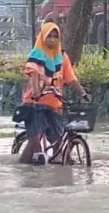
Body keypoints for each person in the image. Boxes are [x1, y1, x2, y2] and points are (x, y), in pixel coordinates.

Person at [18, 22, 90, 164]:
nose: (52, 39)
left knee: (58, 137)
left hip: (54, 103)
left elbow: (71, 79)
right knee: (36, 143)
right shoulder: (37, 54)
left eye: (55, 36)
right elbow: (33, 75)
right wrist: (37, 91)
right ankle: (23, 168)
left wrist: (83, 94)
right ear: (43, 37)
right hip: (35, 102)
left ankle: (62, 160)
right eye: (49, 36)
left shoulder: (62, 57)